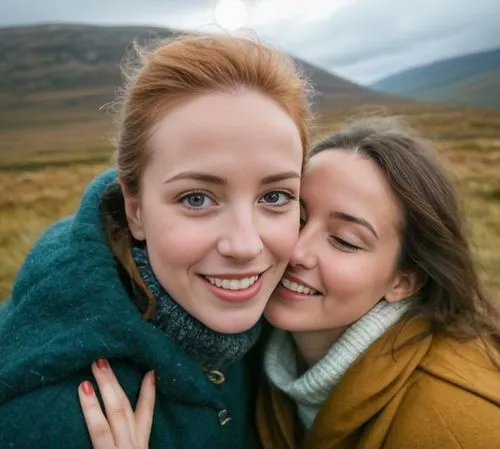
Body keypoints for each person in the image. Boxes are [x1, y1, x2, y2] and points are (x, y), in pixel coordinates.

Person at [0, 33, 313, 448]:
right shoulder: (61, 419)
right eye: (196, 198)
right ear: (135, 210)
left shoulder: (287, 328)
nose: (244, 245)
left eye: (275, 197)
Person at [258, 117, 500, 448]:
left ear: (404, 281)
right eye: (295, 218)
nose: (297, 250)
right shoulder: (244, 354)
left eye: (344, 240)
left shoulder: (455, 424)